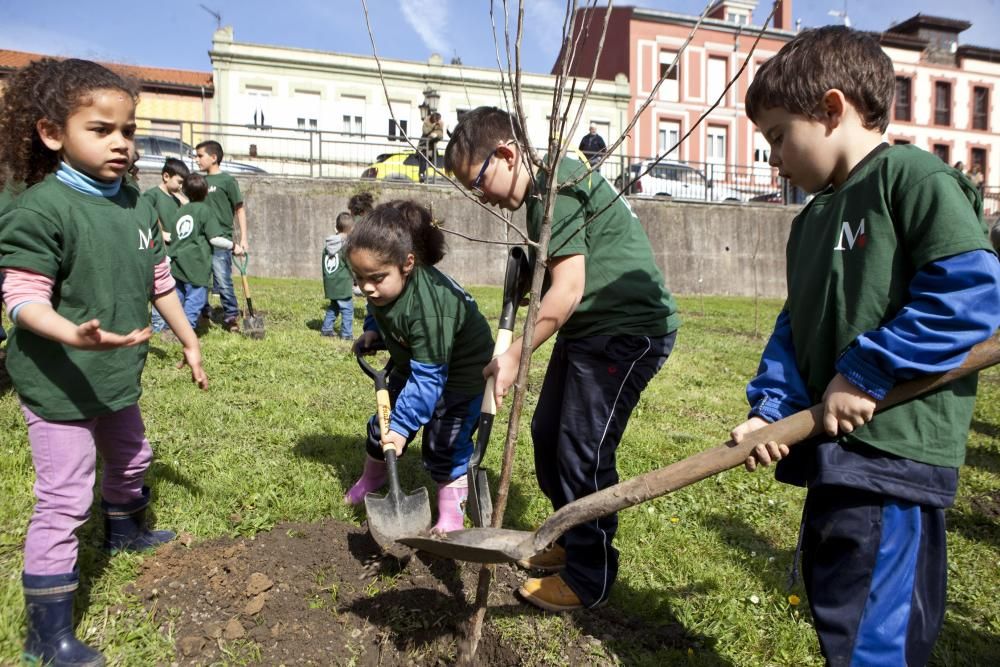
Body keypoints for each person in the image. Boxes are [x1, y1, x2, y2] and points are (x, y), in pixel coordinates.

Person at [729, 26, 1000, 666]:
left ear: (830, 109)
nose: (772, 158)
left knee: (873, 630)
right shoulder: (812, 223)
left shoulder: (911, 179)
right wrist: (774, 410)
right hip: (838, 449)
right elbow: (796, 327)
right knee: (840, 604)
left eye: (775, 136)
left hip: (895, 452)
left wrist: (867, 371)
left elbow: (968, 294)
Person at [0, 57, 209, 665]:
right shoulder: (40, 209)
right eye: (101, 129)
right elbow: (21, 298)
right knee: (64, 499)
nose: (121, 142)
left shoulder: (139, 205)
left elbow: (160, 278)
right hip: (59, 385)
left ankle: (125, 532)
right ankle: (47, 635)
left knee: (133, 455)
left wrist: (189, 339)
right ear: (51, 133)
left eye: (129, 130)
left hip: (118, 376)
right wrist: (71, 332)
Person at [445, 107, 681, 612]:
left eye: (478, 181)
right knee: (548, 434)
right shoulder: (545, 195)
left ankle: (588, 576)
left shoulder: (558, 184)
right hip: (591, 329)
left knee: (582, 451)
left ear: (506, 154)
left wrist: (513, 354)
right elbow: (564, 272)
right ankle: (570, 537)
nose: (480, 196)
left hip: (626, 331)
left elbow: (569, 291)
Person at [343, 200, 495, 534]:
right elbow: (380, 307)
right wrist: (373, 329)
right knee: (380, 429)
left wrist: (402, 426)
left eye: (376, 278)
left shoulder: (430, 307)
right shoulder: (384, 287)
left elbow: (429, 378)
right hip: (416, 361)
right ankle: (373, 477)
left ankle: (451, 509)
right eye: (359, 278)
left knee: (445, 443)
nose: (367, 287)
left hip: (460, 373)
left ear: (407, 264)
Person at [169, 172, 231, 331]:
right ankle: (185, 332)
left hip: (177, 263)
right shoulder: (205, 210)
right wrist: (233, 246)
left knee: (178, 298)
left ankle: (171, 328)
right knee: (195, 299)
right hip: (196, 265)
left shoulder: (180, 212)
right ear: (205, 193)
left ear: (185, 192)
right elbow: (214, 239)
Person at [196, 140, 247, 332]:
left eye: (200, 156)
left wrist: (243, 238)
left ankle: (231, 317)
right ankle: (203, 314)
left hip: (222, 239)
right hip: (201, 240)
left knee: (223, 280)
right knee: (201, 280)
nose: (197, 160)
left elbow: (239, 209)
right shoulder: (199, 182)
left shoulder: (227, 181)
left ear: (214, 157)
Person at [142, 157, 189, 335]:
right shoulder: (152, 195)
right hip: (159, 251)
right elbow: (145, 221)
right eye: (179, 182)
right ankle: (158, 326)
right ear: (166, 176)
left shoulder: (176, 198)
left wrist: (179, 194)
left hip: (174, 251)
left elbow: (190, 208)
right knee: (159, 288)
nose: (181, 187)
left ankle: (168, 325)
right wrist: (162, 235)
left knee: (171, 288)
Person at [321, 212, 355, 339]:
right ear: (351, 230)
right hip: (342, 283)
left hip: (330, 282)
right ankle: (346, 334)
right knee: (347, 309)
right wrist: (357, 279)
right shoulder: (345, 246)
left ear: (337, 227)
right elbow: (351, 265)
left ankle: (326, 329)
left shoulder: (327, 246)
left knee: (334, 306)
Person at [418, 111, 445, 184]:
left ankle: (426, 178)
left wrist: (436, 134)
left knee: (428, 162)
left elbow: (441, 135)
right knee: (423, 161)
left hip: (431, 148)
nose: (436, 122)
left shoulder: (439, 123)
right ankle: (421, 176)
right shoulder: (426, 122)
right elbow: (425, 132)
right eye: (435, 120)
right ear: (433, 119)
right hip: (423, 146)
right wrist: (433, 126)